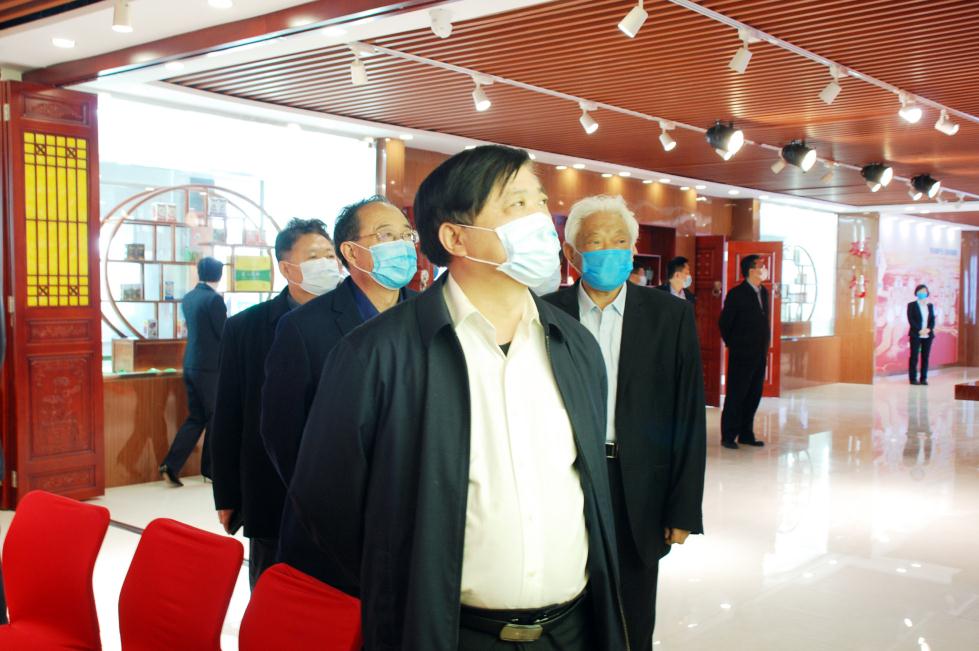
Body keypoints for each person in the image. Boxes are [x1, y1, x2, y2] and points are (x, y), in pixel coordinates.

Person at [288, 145, 627, 650]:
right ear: (455, 237)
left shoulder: (574, 345)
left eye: (539, 201)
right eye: (516, 204)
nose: (540, 219)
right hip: (447, 633)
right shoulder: (376, 354)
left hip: (573, 631)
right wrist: (405, 585)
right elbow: (326, 502)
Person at [544, 195, 706, 651]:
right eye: (596, 242)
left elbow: (687, 414)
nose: (609, 251)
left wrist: (683, 508)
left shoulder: (669, 316)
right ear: (572, 253)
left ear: (633, 250)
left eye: (619, 241)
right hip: (566, 478)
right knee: (568, 604)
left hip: (638, 483)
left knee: (632, 613)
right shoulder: (545, 312)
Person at [261, 196, 416, 587]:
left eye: (406, 235)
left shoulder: (431, 316)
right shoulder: (304, 327)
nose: (402, 245)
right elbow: (283, 434)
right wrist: (332, 509)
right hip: (333, 531)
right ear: (351, 251)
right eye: (386, 236)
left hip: (416, 524)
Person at [210, 219, 338, 590]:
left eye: (330, 255)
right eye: (314, 256)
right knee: (273, 589)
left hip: (336, 486)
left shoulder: (355, 320)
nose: (326, 263)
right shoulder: (246, 328)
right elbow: (228, 414)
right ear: (286, 268)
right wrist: (227, 493)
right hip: (271, 485)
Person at [160, 256, 226, 485]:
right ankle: (210, 469)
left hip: (190, 363)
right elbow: (223, 333)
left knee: (197, 417)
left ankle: (171, 464)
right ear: (219, 275)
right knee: (215, 417)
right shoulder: (214, 300)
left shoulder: (189, 297)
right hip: (210, 368)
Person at [718, 254, 770, 450]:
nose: (764, 269)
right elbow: (724, 323)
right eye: (760, 266)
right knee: (736, 395)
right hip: (742, 353)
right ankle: (729, 435)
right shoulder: (737, 294)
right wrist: (734, 343)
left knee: (753, 395)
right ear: (750, 270)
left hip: (759, 352)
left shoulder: (763, 292)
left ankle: (746, 434)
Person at [907, 283, 935, 385]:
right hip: (916, 334)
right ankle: (913, 378)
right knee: (914, 357)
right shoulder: (911, 305)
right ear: (916, 292)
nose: (922, 293)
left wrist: (928, 329)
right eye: (920, 291)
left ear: (927, 293)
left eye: (924, 291)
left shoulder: (930, 305)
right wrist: (919, 330)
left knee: (925, 357)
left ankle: (923, 378)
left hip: (927, 335)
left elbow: (932, 319)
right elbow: (911, 319)